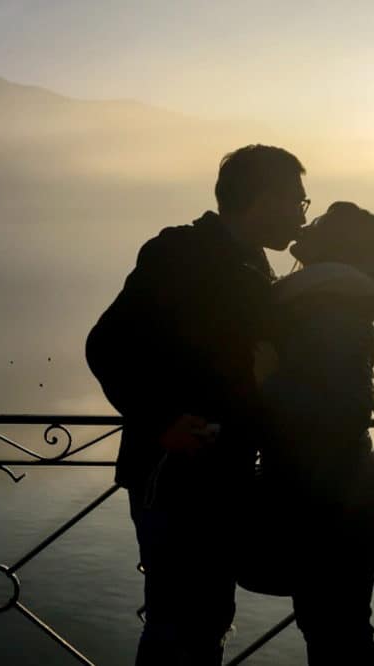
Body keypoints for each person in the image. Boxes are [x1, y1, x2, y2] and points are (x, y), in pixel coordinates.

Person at [85, 144, 308, 664]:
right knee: (179, 625)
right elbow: (106, 345)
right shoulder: (182, 256)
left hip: (221, 477)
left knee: (203, 620)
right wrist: (162, 422)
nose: (302, 214)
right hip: (173, 478)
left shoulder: (251, 264)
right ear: (265, 199)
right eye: (298, 201)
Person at [252, 201, 374, 664]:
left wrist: (266, 381)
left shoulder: (332, 311)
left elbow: (341, 411)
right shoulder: (329, 303)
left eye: (321, 222)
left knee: (337, 636)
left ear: (338, 246)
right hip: (337, 499)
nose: (306, 226)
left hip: (331, 507)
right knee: (337, 632)